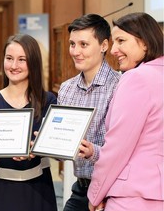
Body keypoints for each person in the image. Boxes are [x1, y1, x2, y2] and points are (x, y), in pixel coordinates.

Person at [88, 12, 164, 211]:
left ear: (145, 43)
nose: (114, 50)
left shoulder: (137, 78)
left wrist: (95, 194)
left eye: (121, 41)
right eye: (114, 42)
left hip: (133, 196)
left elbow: (118, 146)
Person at [0, 33, 58, 211]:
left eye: (22, 59)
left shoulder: (48, 101)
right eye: (9, 58)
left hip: (39, 189)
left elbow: (56, 148)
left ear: (33, 62)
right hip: (0, 190)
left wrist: (36, 148)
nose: (14, 66)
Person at [58, 14, 121, 211]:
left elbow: (124, 150)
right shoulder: (66, 89)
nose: (75, 51)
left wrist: (93, 152)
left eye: (83, 44)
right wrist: (43, 145)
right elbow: (62, 150)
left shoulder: (120, 86)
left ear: (104, 46)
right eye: (72, 44)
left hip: (113, 191)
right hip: (80, 188)